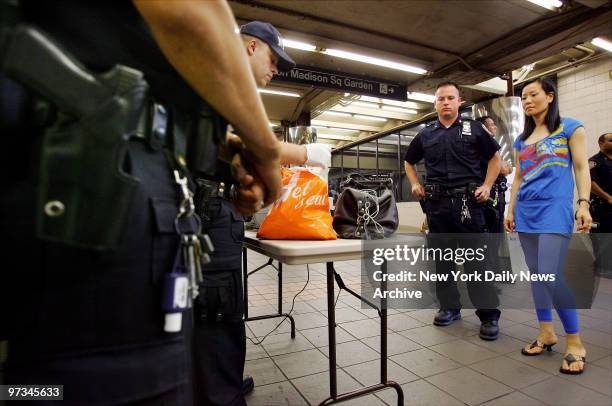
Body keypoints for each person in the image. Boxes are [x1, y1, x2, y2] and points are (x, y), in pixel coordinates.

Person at [0, 1, 282, 404]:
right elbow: (191, 15)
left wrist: (221, 149)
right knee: (116, 383)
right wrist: (265, 149)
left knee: (43, 384)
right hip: (104, 189)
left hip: (83, 183)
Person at [192, 20, 330, 405]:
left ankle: (221, 382)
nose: (275, 70)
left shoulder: (211, 78)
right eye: (273, 59)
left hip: (211, 210)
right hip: (207, 216)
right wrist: (305, 155)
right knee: (217, 312)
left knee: (216, 313)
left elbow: (225, 148)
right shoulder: (216, 71)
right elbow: (249, 144)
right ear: (251, 47)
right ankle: (222, 394)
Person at [504, 77, 592, 375]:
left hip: (555, 210)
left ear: (550, 96)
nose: (527, 101)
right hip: (526, 211)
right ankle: (546, 332)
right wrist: (510, 208)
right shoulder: (521, 139)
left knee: (549, 273)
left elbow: (581, 167)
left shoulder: (569, 127)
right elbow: (517, 178)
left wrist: (583, 203)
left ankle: (575, 342)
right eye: (523, 97)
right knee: (537, 275)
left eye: (532, 95)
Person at [404, 81, 502, 340]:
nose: (445, 102)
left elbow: (495, 157)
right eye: (441, 99)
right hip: (437, 208)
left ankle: (489, 315)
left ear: (460, 101)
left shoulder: (475, 129)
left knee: (476, 263)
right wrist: (415, 183)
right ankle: (449, 307)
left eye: (450, 98)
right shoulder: (426, 133)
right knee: (442, 263)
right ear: (435, 104)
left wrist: (488, 185)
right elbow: (408, 161)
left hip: (469, 205)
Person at [476, 116, 513, 233]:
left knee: (498, 236)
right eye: (491, 124)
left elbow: (509, 168)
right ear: (483, 128)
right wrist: (501, 166)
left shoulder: (493, 145)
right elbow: (502, 168)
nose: (495, 127)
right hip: (487, 199)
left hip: (498, 198)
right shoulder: (479, 146)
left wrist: (504, 166)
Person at [589, 133, 612, 277]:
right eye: (611, 140)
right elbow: (590, 183)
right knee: (602, 237)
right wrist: (608, 197)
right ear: (601, 143)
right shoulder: (594, 161)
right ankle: (601, 267)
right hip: (601, 207)